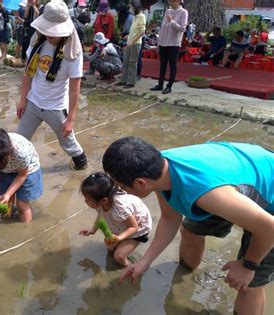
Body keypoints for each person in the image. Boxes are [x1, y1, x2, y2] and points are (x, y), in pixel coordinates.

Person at [103, 136, 273, 315]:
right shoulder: (160, 169)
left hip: (267, 200)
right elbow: (169, 218)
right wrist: (145, 262)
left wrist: (248, 266)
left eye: (122, 187)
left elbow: (269, 228)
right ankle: (186, 272)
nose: (122, 192)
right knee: (190, 230)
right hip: (236, 175)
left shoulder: (208, 194)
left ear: (140, 183)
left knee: (249, 284)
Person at [16, 0, 88, 171]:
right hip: (33, 102)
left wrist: (70, 119)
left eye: (52, 31)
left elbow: (74, 89)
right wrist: (22, 101)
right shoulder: (38, 41)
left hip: (55, 107)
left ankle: (81, 163)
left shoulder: (73, 52)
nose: (48, 34)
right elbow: (28, 74)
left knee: (69, 144)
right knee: (19, 141)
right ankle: (17, 169)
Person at [79, 172, 152, 266]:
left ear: (104, 200)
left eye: (88, 199)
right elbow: (101, 215)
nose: (85, 201)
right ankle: (120, 247)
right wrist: (93, 229)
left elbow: (134, 227)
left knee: (119, 256)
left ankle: (128, 268)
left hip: (139, 226)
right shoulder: (102, 202)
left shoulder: (120, 208)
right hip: (124, 223)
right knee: (110, 248)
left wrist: (119, 238)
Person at [0, 128, 42, 223]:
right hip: (6, 171)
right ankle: (7, 222)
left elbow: (22, 176)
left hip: (28, 170)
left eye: (3, 161)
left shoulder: (20, 153)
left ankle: (26, 230)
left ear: (10, 153)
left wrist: (8, 193)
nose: (0, 163)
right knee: (5, 203)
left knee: (22, 206)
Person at [150, 0, 188, 95]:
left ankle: (169, 86)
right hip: (163, 42)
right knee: (162, 65)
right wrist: (159, 43)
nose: (171, 2)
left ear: (179, 1)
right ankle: (160, 84)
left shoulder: (183, 12)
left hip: (173, 43)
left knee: (172, 65)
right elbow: (162, 28)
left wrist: (172, 22)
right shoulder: (168, 11)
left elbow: (182, 28)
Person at [117, 0, 145, 88]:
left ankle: (131, 82)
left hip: (135, 43)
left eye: (132, 7)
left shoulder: (141, 16)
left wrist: (132, 41)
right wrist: (128, 37)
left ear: (135, 7)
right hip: (130, 42)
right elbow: (134, 30)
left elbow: (142, 32)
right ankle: (123, 80)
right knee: (125, 61)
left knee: (132, 63)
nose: (130, 9)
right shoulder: (135, 17)